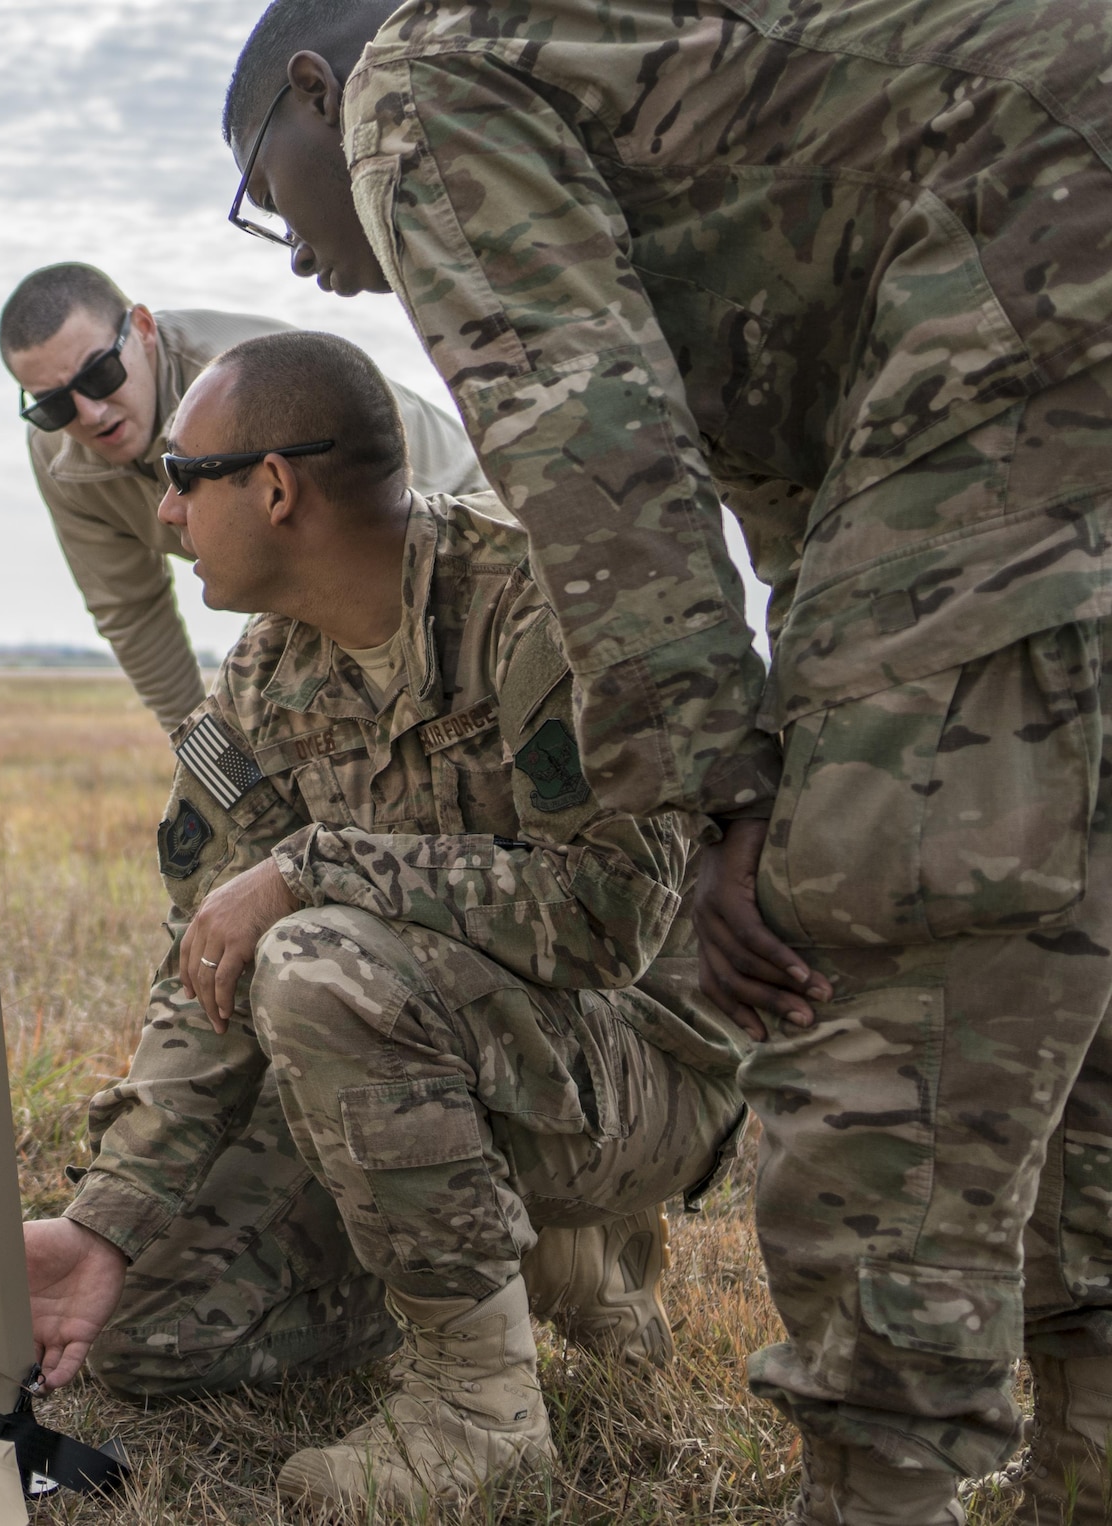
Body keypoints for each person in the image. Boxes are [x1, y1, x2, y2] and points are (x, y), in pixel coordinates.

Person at [220, 2, 1112, 1520]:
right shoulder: (619, 57)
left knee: (871, 935)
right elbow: (799, 480)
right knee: (1054, 911)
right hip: (1038, 243)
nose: (290, 250)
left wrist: (726, 779)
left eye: (260, 183)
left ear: (316, 88)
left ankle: (876, 1493)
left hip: (1041, 234)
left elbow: (589, 440)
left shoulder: (411, 81)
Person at [21, 331, 745, 1513]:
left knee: (316, 962)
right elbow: (201, 968)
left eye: (181, 479)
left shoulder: (535, 606)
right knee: (151, 1333)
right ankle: (514, 1253)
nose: (159, 514)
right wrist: (107, 1223)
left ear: (272, 488)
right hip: (422, 1060)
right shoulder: (260, 679)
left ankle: (477, 1409)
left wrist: (316, 868)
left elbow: (607, 916)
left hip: (637, 1073)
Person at [0, 262, 484, 731]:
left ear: (142, 329)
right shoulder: (55, 454)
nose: (90, 413)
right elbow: (131, 612)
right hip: (315, 590)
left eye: (99, 374)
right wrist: (206, 759)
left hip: (463, 527)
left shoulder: (242, 386)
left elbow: (384, 510)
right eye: (54, 404)